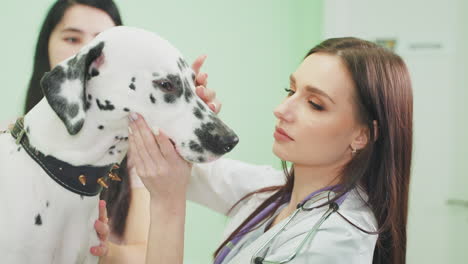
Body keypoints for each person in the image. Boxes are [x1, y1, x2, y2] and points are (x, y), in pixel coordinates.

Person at [95, 37, 413, 264]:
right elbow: (169, 163)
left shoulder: (337, 244)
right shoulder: (272, 191)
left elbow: (171, 181)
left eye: (315, 104)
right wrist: (183, 116)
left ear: (362, 135)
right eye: (290, 90)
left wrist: (168, 204)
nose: (282, 109)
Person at [6, 0, 214, 263]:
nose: (88, 52)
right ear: (46, 44)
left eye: (101, 41)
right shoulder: (10, 145)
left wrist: (179, 111)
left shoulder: (137, 148)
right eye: (72, 38)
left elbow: (146, 253)